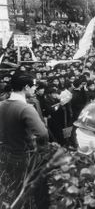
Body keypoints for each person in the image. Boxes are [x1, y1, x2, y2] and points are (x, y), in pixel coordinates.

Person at [0, 72, 49, 208]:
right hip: (23, 157)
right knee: (23, 194)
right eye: (33, 86)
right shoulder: (26, 108)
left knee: (8, 190)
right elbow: (43, 134)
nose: (34, 89)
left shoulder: (1, 104)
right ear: (26, 87)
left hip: (4, 155)